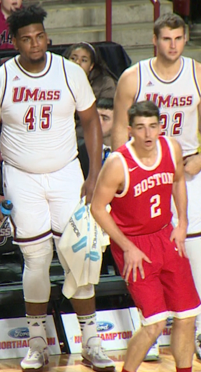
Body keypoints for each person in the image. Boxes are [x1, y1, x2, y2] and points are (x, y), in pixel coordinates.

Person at [0, 5, 115, 371]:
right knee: (36, 259)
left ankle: (91, 340)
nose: (35, 43)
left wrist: (94, 172)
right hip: (21, 176)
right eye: (26, 38)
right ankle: (37, 340)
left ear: (46, 36)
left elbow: (90, 120)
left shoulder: (70, 72)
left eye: (40, 36)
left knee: (79, 255)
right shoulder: (0, 78)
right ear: (15, 42)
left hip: (67, 171)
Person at [111, 13, 201, 357]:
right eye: (166, 39)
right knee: (144, 254)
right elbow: (120, 129)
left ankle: (192, 328)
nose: (173, 45)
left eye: (178, 38)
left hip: (187, 166)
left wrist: (199, 159)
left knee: (190, 251)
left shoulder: (196, 72)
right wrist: (128, 169)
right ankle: (149, 324)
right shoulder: (133, 77)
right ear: (154, 39)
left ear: (186, 38)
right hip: (142, 170)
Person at [91, 101, 200, 372]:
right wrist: (126, 246)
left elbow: (177, 181)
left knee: (187, 316)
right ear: (130, 130)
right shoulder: (118, 163)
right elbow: (96, 208)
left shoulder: (171, 147)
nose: (148, 134)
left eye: (153, 126)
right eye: (140, 128)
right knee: (154, 325)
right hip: (134, 245)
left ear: (161, 127)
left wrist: (182, 221)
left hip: (166, 235)